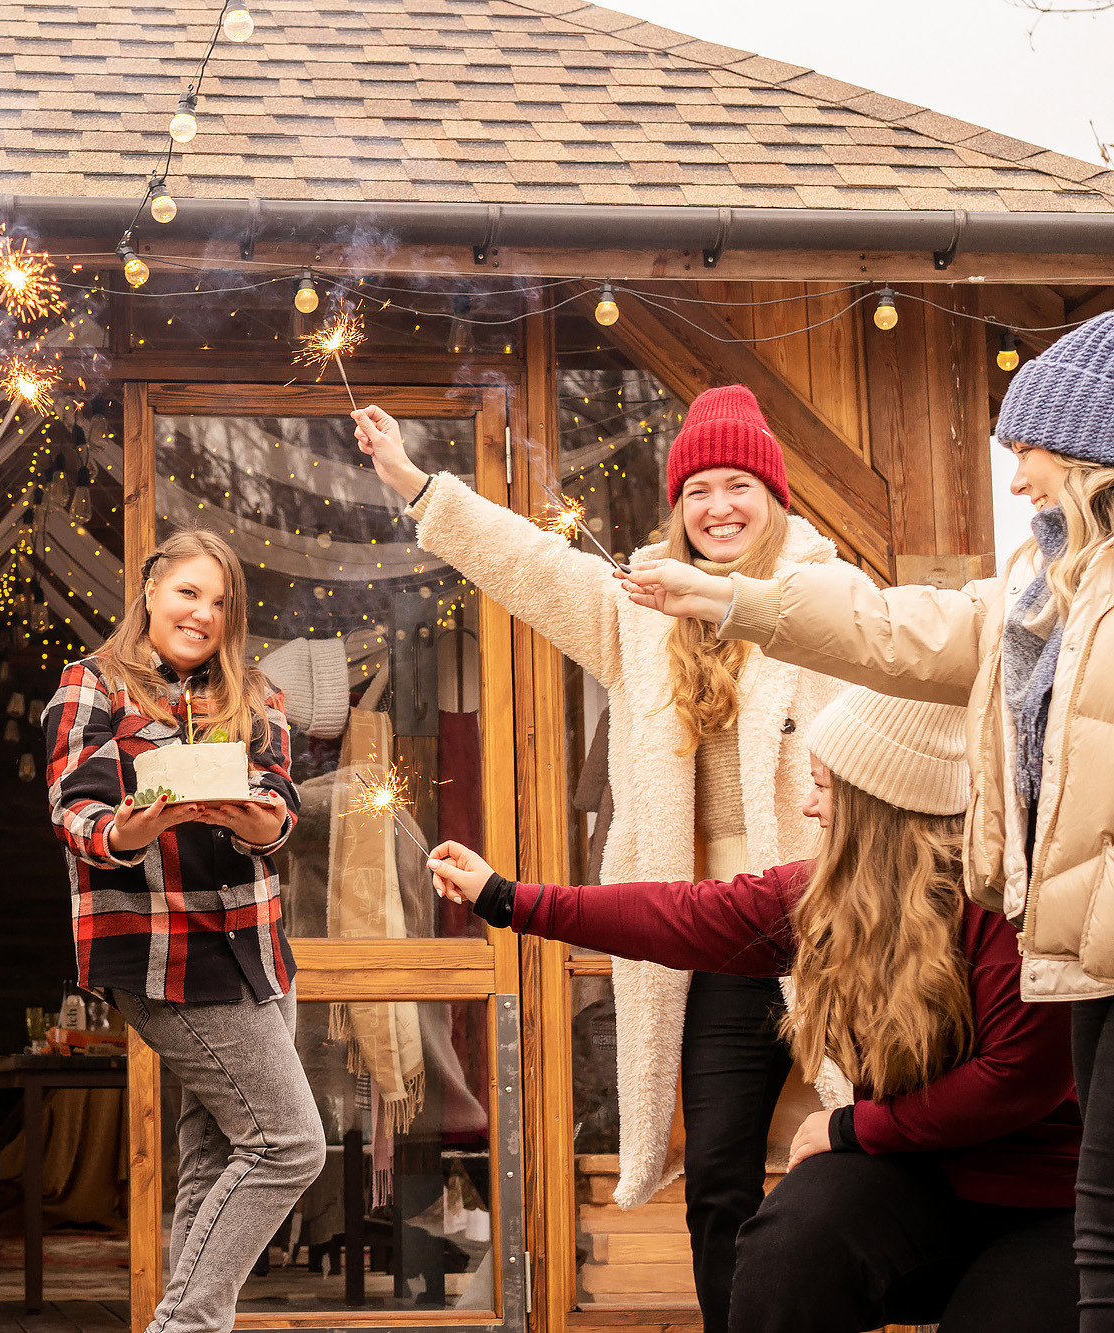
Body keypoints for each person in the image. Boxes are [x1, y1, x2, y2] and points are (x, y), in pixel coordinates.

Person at [615, 311, 1114, 1330]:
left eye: (1027, 450)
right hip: (1085, 955)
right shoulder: (1037, 596)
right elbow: (890, 629)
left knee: (1098, 1237)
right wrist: (727, 599)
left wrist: (851, 1130)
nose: (1015, 477)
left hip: (1095, 953)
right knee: (1098, 1231)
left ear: (1086, 453)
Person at [352, 387, 857, 1328]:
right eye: (699, 489)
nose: (718, 507)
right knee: (717, 1176)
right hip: (714, 937)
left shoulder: (827, 598)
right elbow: (531, 562)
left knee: (856, 1155)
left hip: (834, 926)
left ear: (774, 495)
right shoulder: (642, 607)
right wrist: (420, 486)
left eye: (738, 485)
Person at [428, 686, 1080, 1332]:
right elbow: (680, 915)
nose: (808, 805)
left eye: (822, 787)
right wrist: (505, 898)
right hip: (917, 1182)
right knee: (786, 1246)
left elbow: (1014, 1078)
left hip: (1043, 1205)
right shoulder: (826, 895)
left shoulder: (1009, 907)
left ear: (878, 803)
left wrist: (855, 1128)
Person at [40, 527, 315, 1333]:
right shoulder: (92, 683)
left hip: (257, 950)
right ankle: (182, 1326)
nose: (203, 614)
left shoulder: (255, 695)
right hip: (162, 955)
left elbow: (279, 803)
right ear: (152, 588)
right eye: (189, 592)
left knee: (219, 1153)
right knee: (289, 1145)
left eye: (221, 602)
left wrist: (261, 822)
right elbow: (76, 811)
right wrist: (126, 830)